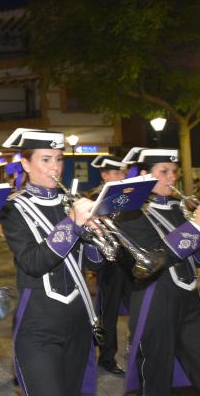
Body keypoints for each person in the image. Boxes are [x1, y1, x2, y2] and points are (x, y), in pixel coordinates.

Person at [0, 128, 104, 396]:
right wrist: (73, 224)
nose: (55, 167)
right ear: (26, 164)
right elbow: (33, 262)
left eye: (59, 159)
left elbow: (95, 265)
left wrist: (96, 236)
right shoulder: (13, 208)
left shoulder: (73, 202)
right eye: (45, 159)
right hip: (39, 323)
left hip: (79, 319)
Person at [117, 147, 200, 396]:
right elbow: (157, 256)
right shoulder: (132, 212)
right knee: (156, 377)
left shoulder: (178, 207)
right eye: (164, 172)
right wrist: (196, 226)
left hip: (190, 301)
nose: (172, 178)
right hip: (155, 300)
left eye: (174, 172)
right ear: (146, 175)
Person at [89, 155, 132, 376]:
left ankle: (137, 350)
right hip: (109, 265)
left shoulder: (129, 197)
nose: (120, 176)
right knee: (109, 314)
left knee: (139, 309)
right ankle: (107, 358)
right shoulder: (97, 199)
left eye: (122, 172)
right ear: (105, 175)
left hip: (131, 263)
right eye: (115, 173)